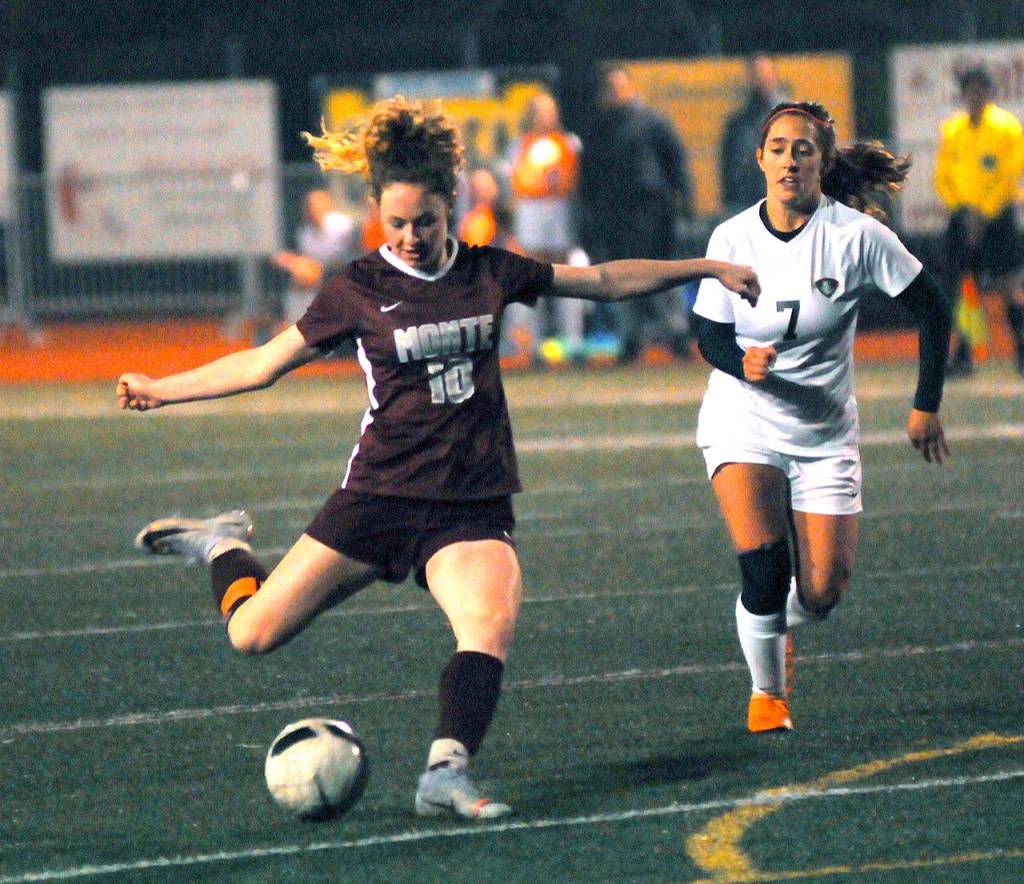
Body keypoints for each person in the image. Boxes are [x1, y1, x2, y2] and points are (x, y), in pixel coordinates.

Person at [117, 96, 759, 818]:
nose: (412, 236)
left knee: (486, 626)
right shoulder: (358, 290)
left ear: (451, 207)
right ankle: (223, 545)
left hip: (469, 505)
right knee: (250, 634)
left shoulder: (489, 271)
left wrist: (704, 266)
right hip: (379, 497)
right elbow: (264, 363)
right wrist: (160, 390)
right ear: (376, 214)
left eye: (426, 220)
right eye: (396, 223)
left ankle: (444, 774)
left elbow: (604, 280)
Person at [692, 100, 951, 734]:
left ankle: (774, 621)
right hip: (743, 419)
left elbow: (934, 309)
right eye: (777, 148)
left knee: (822, 592)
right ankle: (768, 695)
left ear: (823, 161)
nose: (788, 160)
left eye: (802, 149)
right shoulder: (732, 237)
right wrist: (739, 362)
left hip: (825, 432)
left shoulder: (857, 237)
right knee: (763, 564)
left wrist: (925, 405)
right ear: (759, 159)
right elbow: (706, 330)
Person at [582, 66, 695, 363]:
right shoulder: (599, 129)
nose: (615, 93)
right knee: (623, 276)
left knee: (661, 273)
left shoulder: (653, 122)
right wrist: (591, 214)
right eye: (610, 88)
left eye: (619, 86)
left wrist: (685, 203)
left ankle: (676, 334)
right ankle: (630, 337)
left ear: (630, 87)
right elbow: (589, 176)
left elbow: (676, 163)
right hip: (616, 216)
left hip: (653, 212)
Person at [934, 64, 1024, 377]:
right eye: (969, 90)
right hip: (963, 218)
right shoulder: (953, 130)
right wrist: (961, 208)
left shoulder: (1006, 128)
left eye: (979, 90)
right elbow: (943, 176)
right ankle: (965, 356)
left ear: (989, 93)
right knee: (967, 287)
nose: (974, 96)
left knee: (1009, 284)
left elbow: (1009, 174)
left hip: (997, 217)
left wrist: (983, 212)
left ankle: (1021, 350)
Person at [504, 91, 586, 362]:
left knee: (571, 279)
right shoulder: (518, 147)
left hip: (563, 223)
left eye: (550, 110)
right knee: (529, 283)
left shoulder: (570, 144)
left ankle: (573, 344)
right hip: (530, 224)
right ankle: (531, 346)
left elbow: (576, 187)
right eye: (539, 111)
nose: (545, 116)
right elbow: (512, 191)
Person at [272, 189, 360, 328]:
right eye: (311, 206)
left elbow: (354, 255)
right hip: (317, 280)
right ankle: (295, 326)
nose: (315, 210)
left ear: (328, 205)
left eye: (318, 205)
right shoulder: (304, 234)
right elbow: (308, 261)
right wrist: (293, 262)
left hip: (343, 276)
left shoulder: (345, 227)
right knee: (297, 281)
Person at [719, 55, 787, 216]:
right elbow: (728, 164)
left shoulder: (791, 119)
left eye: (765, 75)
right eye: (756, 76)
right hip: (746, 205)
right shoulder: (737, 123)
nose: (761, 81)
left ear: (774, 77)